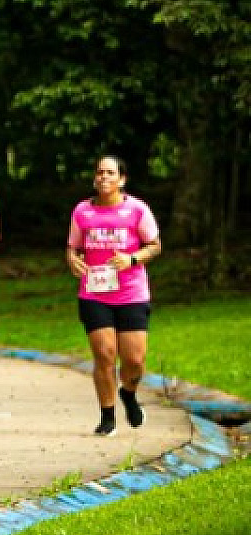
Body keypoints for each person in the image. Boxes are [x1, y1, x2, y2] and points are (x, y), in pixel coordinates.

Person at [66, 155, 161, 437]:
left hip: (131, 294)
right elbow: (73, 247)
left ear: (121, 179)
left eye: (110, 173)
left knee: (134, 361)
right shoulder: (82, 211)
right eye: (99, 172)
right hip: (95, 293)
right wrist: (73, 260)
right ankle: (107, 416)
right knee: (104, 355)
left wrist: (132, 259)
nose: (104, 177)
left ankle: (129, 394)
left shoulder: (136, 210)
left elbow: (154, 245)